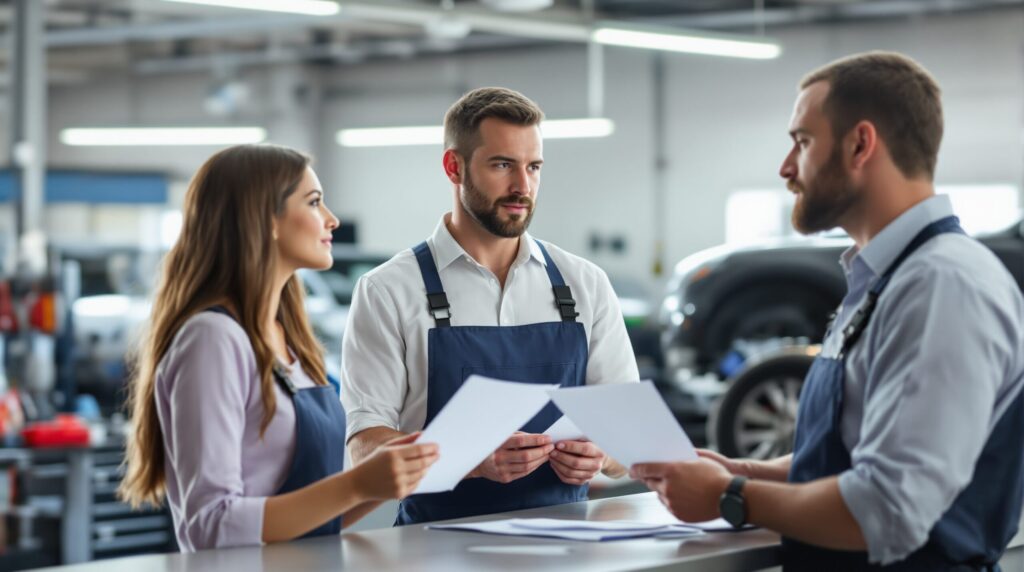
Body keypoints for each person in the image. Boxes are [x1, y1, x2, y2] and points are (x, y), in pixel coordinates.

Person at [631, 51, 1024, 570]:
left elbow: (886, 508)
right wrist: (743, 469)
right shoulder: (887, 279)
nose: (786, 167)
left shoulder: (941, 287)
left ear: (860, 144)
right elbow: (859, 450)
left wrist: (731, 494)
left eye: (803, 141)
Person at [342, 87, 640, 525]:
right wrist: (469, 458)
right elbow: (364, 448)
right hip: (433, 549)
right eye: (502, 165)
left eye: (533, 167)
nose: (522, 186)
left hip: (569, 550)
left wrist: (601, 455)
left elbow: (631, 441)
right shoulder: (389, 290)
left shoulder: (585, 285)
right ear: (454, 167)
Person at [118, 144, 438, 551]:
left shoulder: (290, 342)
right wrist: (356, 482)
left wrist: (387, 481)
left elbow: (312, 517)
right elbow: (209, 524)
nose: (332, 219)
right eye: (314, 202)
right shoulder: (213, 340)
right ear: (265, 219)